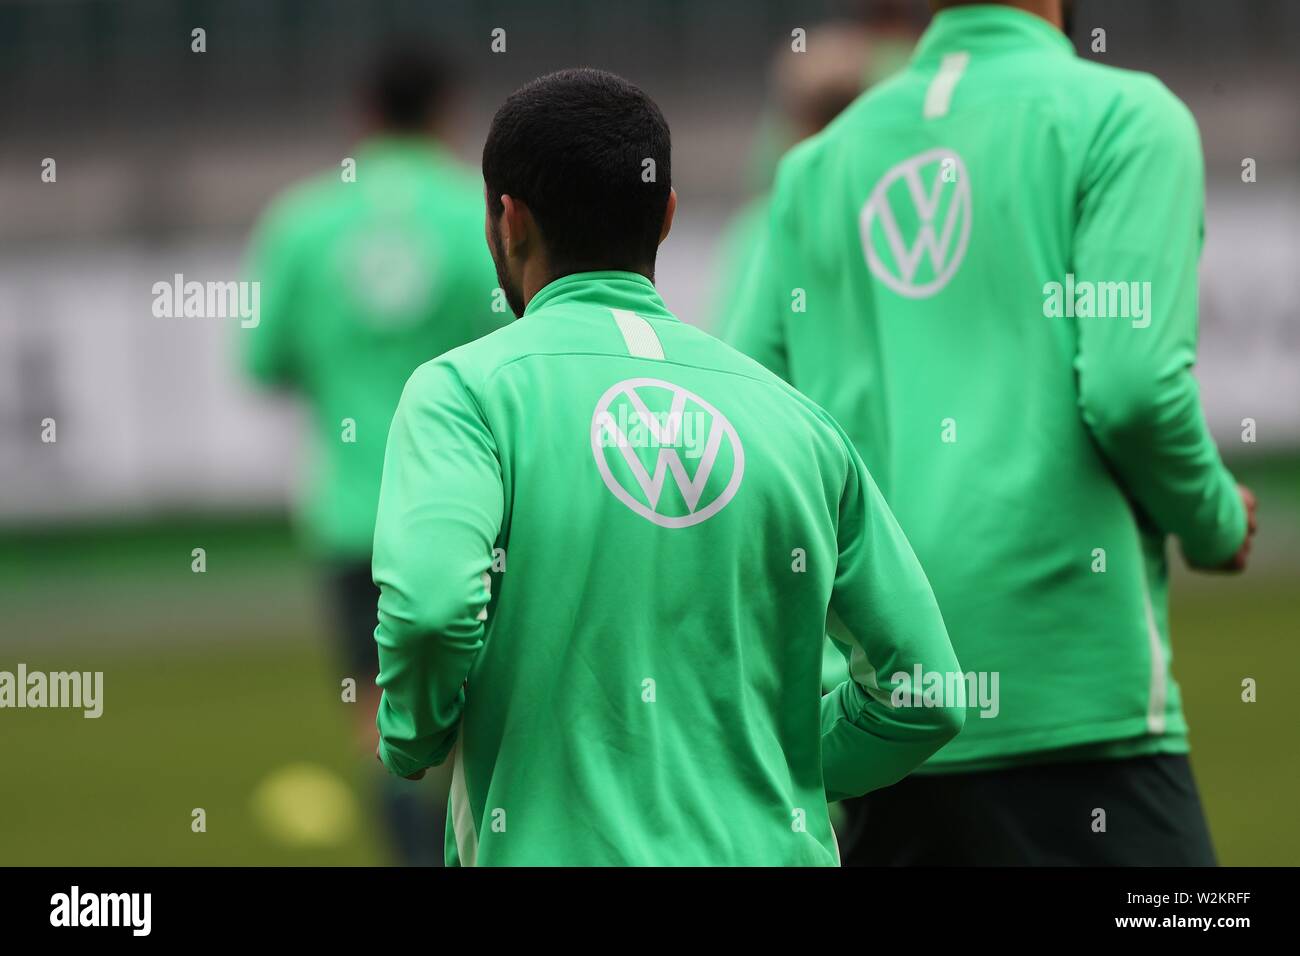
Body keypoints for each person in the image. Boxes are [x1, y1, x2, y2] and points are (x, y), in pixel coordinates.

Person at [371, 68, 965, 866]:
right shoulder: (794, 418)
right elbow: (925, 692)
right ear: (668, 215)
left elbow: (433, 610)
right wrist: (768, 764)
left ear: (507, 222)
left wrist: (411, 738)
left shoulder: (464, 393)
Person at [727, 0, 1257, 865]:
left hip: (880, 713)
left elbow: (752, 430)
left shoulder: (812, 169)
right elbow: (1131, 391)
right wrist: (1215, 519)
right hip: (1072, 704)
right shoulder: (1126, 117)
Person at [242, 43, 502, 865]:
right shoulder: (485, 211)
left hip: (354, 511)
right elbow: (521, 349)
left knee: (379, 712)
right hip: (474, 506)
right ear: (449, 111)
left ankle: (413, 852)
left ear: (363, 112)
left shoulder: (301, 219)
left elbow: (260, 361)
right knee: (489, 712)